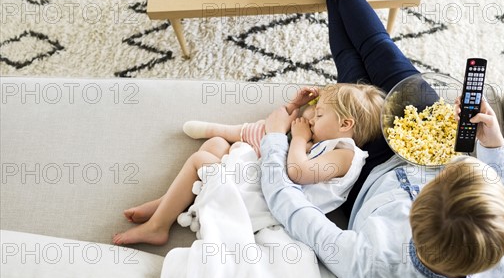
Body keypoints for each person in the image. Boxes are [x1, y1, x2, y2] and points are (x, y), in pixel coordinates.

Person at [259, 0, 504, 278]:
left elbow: (288, 205)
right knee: (379, 47)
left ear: (414, 222)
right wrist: (492, 146)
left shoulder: (372, 267)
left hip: (368, 168)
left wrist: (276, 139)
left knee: (350, 69)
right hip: (434, 142)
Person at [112, 82, 385, 245]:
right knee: (217, 145)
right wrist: (294, 106)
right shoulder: (327, 141)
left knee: (200, 160)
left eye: (319, 115)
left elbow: (298, 172)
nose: (310, 120)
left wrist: (301, 138)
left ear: (345, 125)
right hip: (263, 180)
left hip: (266, 203)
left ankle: (158, 226)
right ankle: (166, 203)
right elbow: (278, 128)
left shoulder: (345, 155)